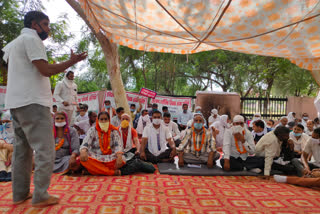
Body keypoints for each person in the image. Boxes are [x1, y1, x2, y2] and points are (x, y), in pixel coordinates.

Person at [2, 11, 87, 206]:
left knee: (22, 151)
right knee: (45, 149)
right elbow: (45, 70)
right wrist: (72, 62)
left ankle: (20, 193)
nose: (48, 29)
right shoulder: (31, 39)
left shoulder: (15, 43)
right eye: (45, 24)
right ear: (34, 25)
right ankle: (40, 195)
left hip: (16, 103)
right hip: (32, 102)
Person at [80, 112, 154, 175]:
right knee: (82, 159)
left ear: (109, 120)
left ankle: (94, 170)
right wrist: (83, 150)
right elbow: (86, 141)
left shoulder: (114, 131)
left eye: (106, 119)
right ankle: (111, 172)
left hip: (111, 158)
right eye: (101, 119)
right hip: (95, 157)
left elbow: (118, 145)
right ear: (98, 120)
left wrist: (119, 155)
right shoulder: (93, 130)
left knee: (121, 160)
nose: (103, 121)